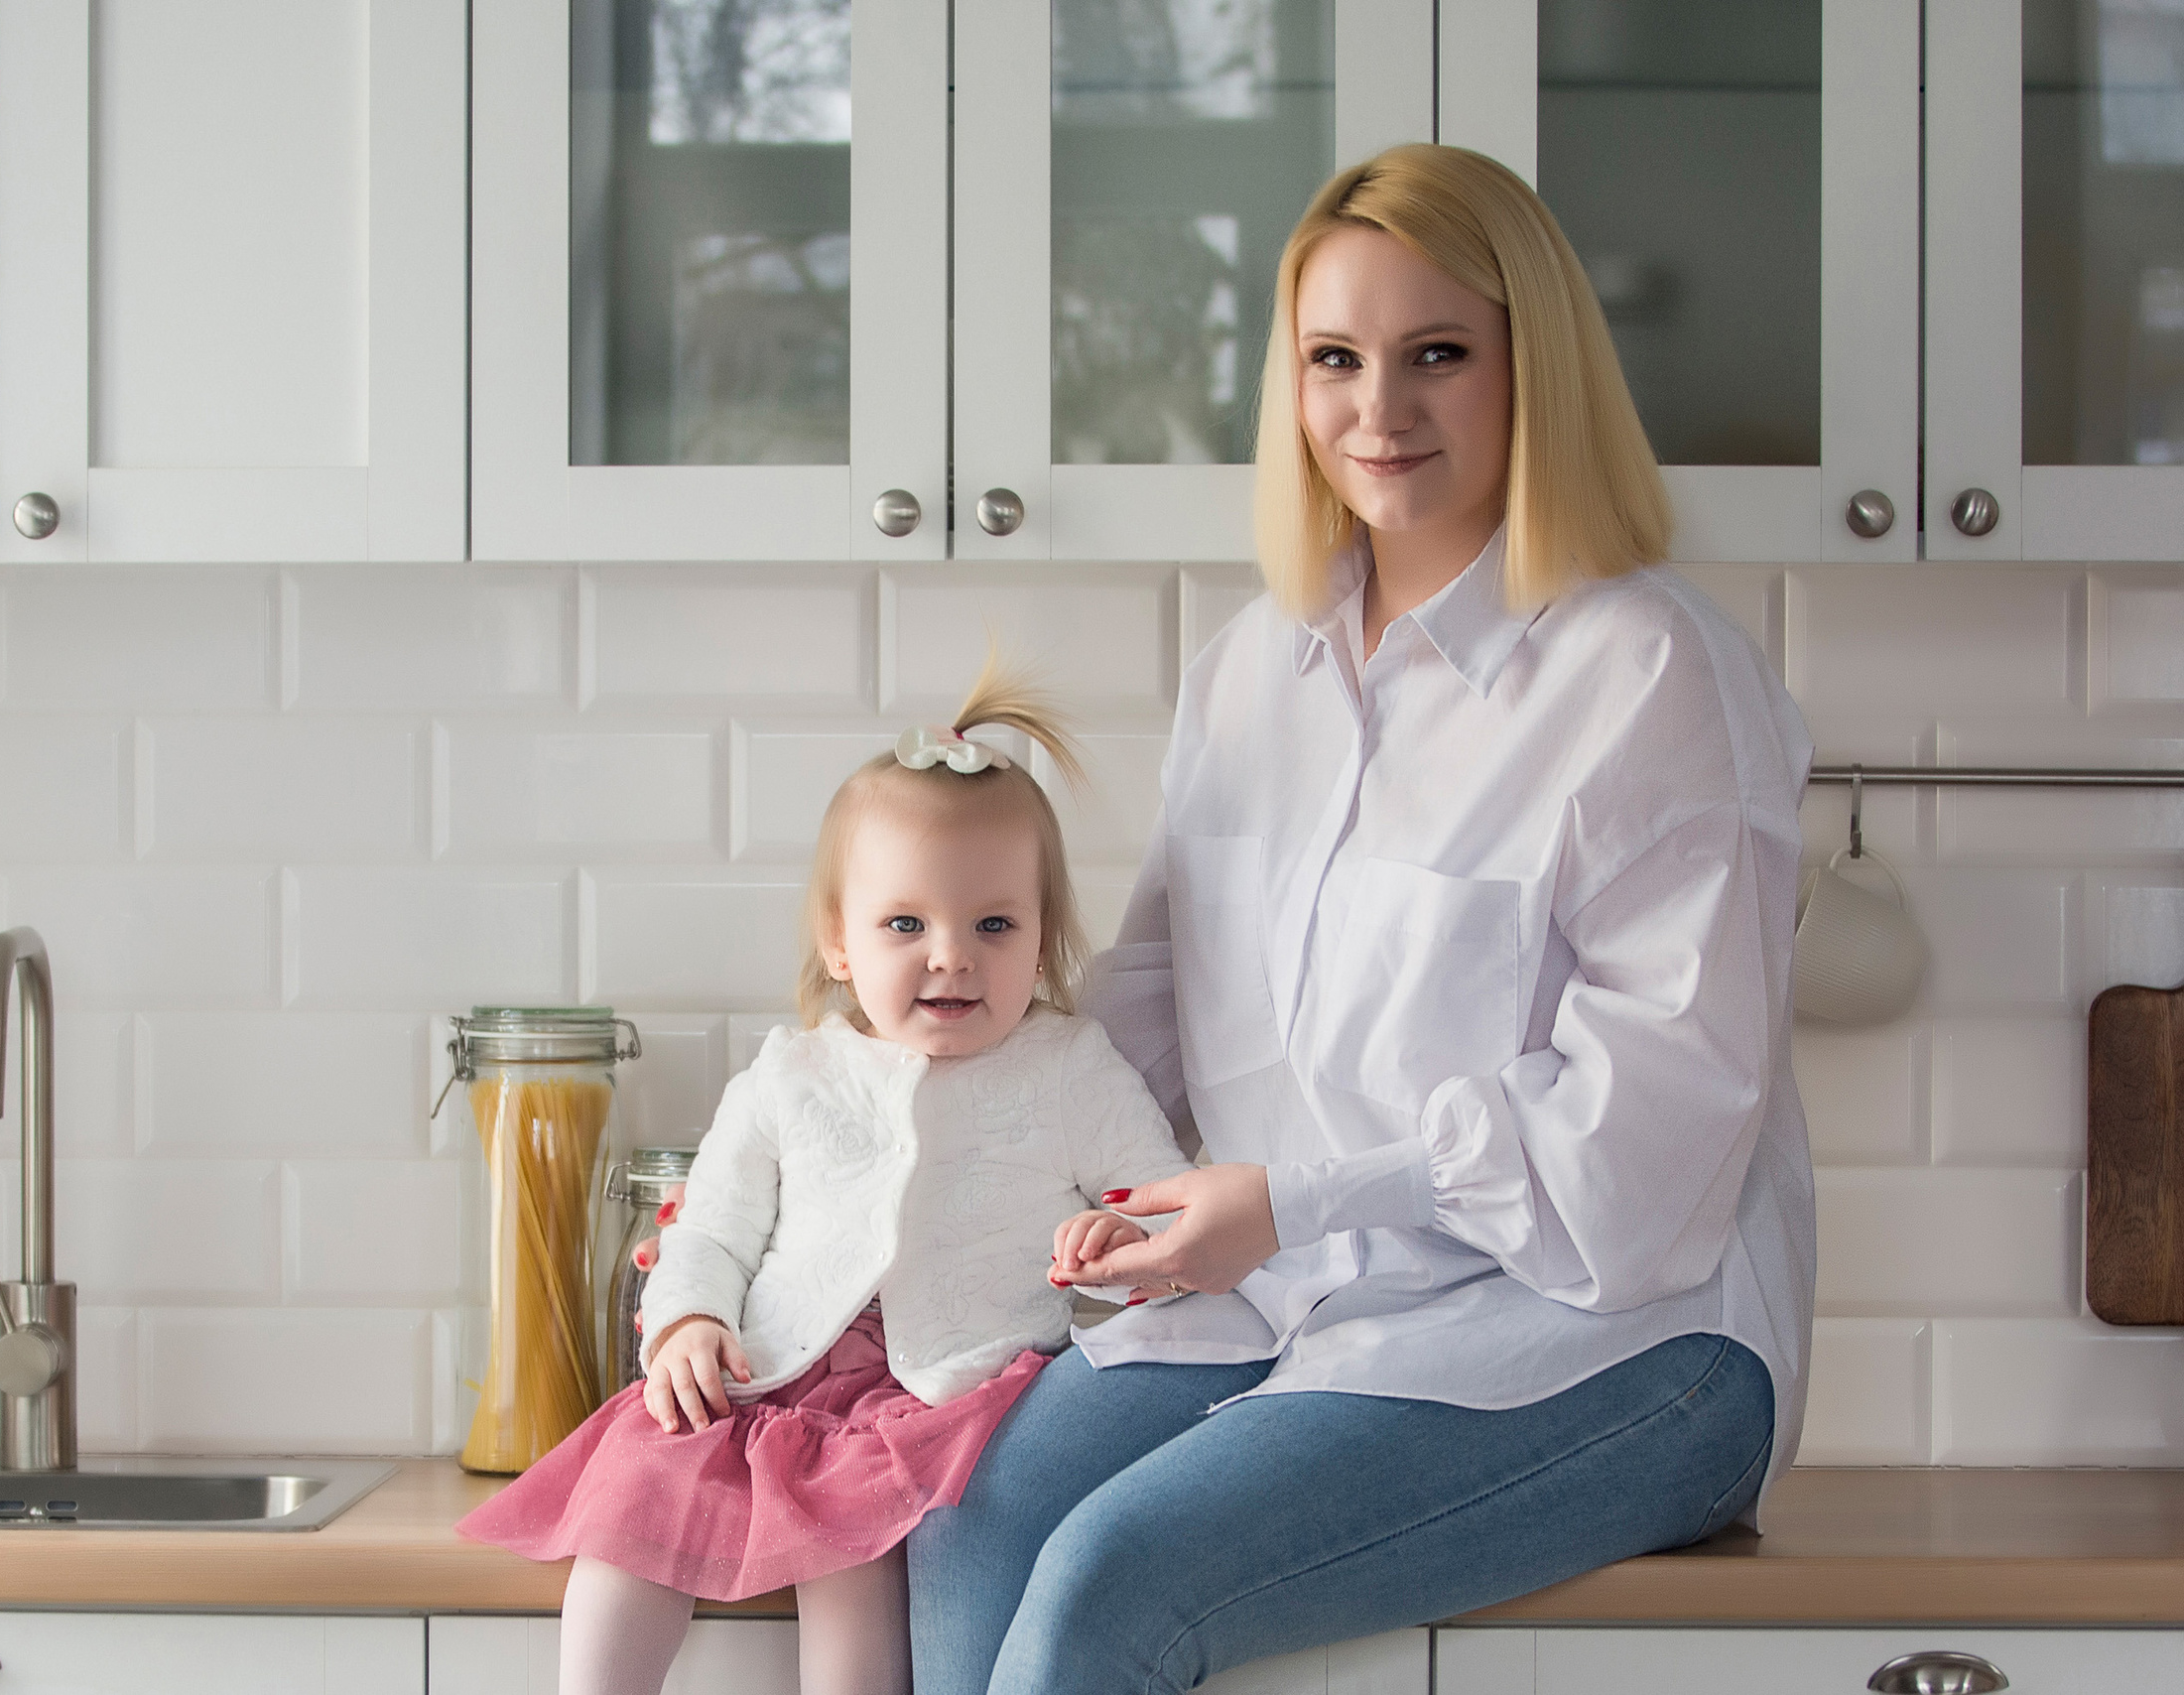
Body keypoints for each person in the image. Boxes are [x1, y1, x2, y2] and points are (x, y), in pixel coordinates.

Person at [910, 143, 1816, 1694]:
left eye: (1437, 356)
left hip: (1623, 1342)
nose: (1378, 412)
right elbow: (1152, 1010)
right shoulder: (1256, 665)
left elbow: (1650, 1147)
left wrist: (1300, 1200)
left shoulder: (1653, 676)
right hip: (1294, 1304)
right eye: (1336, 360)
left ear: (1536, 371)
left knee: (1113, 1581)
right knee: (967, 1519)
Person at [458, 664, 1195, 1695]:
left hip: (933, 1399)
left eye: (994, 925)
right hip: (764, 1376)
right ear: (838, 943)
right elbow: (708, 1229)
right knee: (635, 1500)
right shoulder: (790, 1072)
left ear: (1042, 939)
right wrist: (685, 1323)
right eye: (906, 925)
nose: (952, 958)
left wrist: (1117, 1251)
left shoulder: (1070, 1065)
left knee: (855, 1585)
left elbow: (1163, 1202)